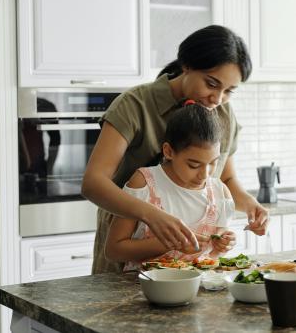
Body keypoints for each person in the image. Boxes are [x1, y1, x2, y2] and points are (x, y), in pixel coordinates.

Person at [82, 24, 269, 274]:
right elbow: (93, 183)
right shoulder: (135, 105)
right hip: (127, 256)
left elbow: (225, 178)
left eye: (228, 91)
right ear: (187, 66)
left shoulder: (223, 113)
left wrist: (250, 205)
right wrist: (152, 215)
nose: (217, 98)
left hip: (191, 267)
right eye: (211, 84)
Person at [105, 102, 236, 271]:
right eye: (194, 165)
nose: (205, 174)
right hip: (144, 288)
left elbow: (213, 255)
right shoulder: (144, 183)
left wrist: (224, 245)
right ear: (168, 151)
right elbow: (114, 251)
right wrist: (167, 243)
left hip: (199, 289)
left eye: (213, 163)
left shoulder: (220, 193)